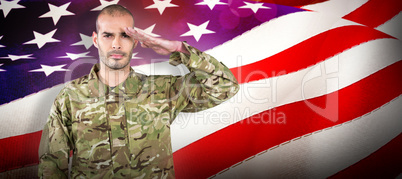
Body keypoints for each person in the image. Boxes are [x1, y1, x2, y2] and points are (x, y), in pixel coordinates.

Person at [38, 4, 239, 179]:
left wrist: (179, 49)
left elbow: (225, 86)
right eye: (108, 35)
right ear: (96, 39)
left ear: (135, 41)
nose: (116, 43)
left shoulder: (163, 90)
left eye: (125, 35)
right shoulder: (70, 96)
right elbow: (52, 165)